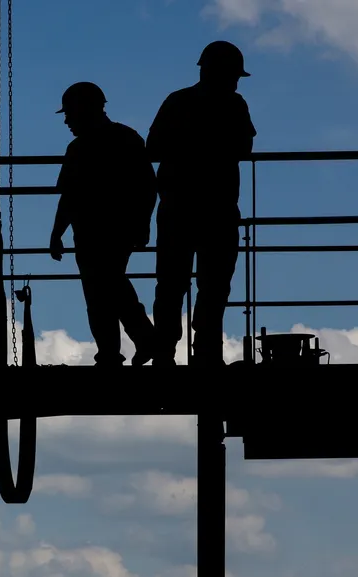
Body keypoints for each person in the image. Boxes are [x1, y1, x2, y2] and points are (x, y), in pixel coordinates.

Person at [147, 41, 257, 366]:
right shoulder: (234, 105)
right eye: (234, 75)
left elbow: (152, 149)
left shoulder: (178, 102)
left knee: (172, 285)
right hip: (216, 209)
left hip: (179, 208)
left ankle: (165, 353)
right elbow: (244, 148)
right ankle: (206, 353)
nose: (236, 82)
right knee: (213, 286)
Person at [48, 81, 158, 366]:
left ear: (85, 110)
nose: (67, 121)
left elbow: (69, 198)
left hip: (96, 231)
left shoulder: (82, 148)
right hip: (109, 230)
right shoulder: (125, 139)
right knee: (108, 287)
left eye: (70, 113)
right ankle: (134, 344)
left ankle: (121, 349)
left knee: (102, 290)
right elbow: (148, 187)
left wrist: (57, 233)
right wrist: (143, 224)